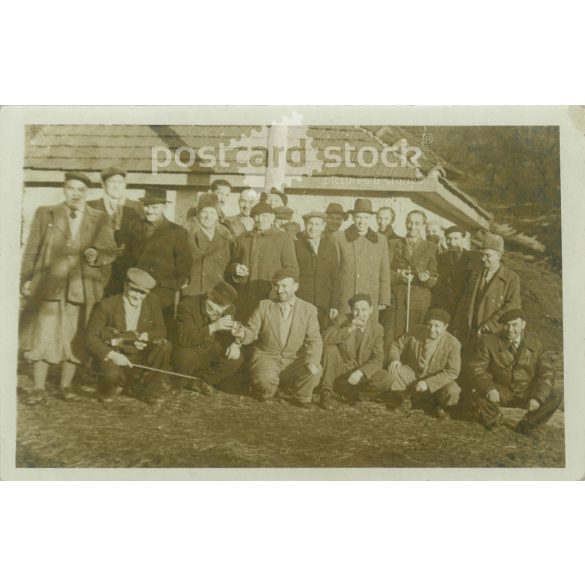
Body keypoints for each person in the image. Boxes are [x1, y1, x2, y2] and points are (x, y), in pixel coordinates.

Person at [19, 172, 118, 405]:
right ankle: (37, 388)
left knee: (75, 337)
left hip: (81, 288)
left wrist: (97, 254)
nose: (75, 194)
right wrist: (27, 279)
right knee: (43, 336)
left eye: (80, 190)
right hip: (49, 286)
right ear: (64, 189)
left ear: (87, 193)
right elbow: (33, 248)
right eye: (71, 188)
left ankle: (65, 386)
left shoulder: (100, 218)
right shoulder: (46, 213)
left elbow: (111, 249)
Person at [234, 268, 322, 408]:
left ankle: (302, 397)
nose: (279, 290)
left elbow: (314, 340)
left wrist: (312, 361)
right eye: (276, 286)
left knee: (315, 371)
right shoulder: (264, 306)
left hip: (294, 359)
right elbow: (251, 331)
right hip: (268, 356)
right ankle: (270, 390)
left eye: (284, 286)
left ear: (295, 286)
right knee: (264, 383)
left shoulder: (309, 310)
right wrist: (242, 334)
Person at [85, 268, 172, 406]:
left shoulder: (152, 301)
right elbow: (90, 338)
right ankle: (109, 388)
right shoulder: (106, 305)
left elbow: (161, 330)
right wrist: (112, 355)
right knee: (111, 377)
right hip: (116, 353)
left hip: (138, 353)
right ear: (125, 285)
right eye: (134, 290)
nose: (138, 297)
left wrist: (146, 336)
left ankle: (150, 392)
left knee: (164, 346)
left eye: (142, 293)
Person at [468, 309, 561, 434]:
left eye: (514, 325)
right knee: (479, 393)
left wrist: (537, 398)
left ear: (523, 324)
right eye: (506, 325)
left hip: (526, 390)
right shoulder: (488, 342)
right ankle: (495, 420)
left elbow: (547, 373)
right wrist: (489, 388)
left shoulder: (536, 343)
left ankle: (528, 425)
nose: (510, 329)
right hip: (501, 390)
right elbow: (477, 368)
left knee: (555, 395)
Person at [124, 187, 192, 337]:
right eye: (146, 206)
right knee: (133, 329)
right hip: (136, 290)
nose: (149, 211)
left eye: (154, 207)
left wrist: (167, 285)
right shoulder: (134, 228)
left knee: (159, 332)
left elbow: (184, 266)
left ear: (164, 207)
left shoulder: (177, 232)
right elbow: (126, 259)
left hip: (162, 294)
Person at [386, 308, 461, 419]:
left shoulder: (453, 343)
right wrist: (395, 359)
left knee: (452, 390)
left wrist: (428, 383)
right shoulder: (415, 331)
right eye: (429, 324)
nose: (432, 329)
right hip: (412, 373)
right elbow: (396, 345)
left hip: (435, 379)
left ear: (446, 326)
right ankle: (403, 400)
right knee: (392, 373)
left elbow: (453, 371)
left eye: (437, 326)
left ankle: (441, 407)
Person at [229, 201, 299, 321]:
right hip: (245, 295)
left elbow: (291, 269)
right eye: (256, 216)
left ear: (272, 218)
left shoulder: (283, 238)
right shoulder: (243, 238)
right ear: (252, 218)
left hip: (271, 296)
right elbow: (233, 262)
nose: (260, 220)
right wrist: (236, 268)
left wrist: (280, 289)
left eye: (264, 216)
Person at [320, 293, 390, 409]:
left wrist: (361, 372)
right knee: (330, 349)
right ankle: (326, 393)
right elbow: (324, 338)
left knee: (387, 378)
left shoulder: (377, 329)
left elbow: (377, 359)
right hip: (340, 370)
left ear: (371, 310)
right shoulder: (342, 320)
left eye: (364, 310)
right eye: (356, 310)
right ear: (351, 310)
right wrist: (349, 329)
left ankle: (356, 397)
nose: (360, 314)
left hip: (360, 374)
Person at [173, 281, 243, 394]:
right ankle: (179, 381)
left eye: (220, 305)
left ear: (228, 306)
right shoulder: (187, 305)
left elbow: (232, 334)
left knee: (236, 358)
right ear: (209, 294)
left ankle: (203, 381)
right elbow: (185, 339)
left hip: (211, 348)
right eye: (213, 301)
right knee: (185, 356)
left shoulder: (230, 310)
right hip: (192, 347)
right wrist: (214, 327)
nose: (215, 308)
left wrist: (237, 342)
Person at [451, 233, 521, 346]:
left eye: (488, 255)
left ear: (499, 256)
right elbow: (464, 302)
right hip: (470, 331)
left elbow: (512, 305)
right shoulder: (475, 275)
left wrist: (490, 325)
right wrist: (456, 324)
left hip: (494, 333)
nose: (483, 259)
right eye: (482, 254)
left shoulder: (511, 278)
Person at [87, 166, 143, 295]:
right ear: (103, 185)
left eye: (119, 182)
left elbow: (141, 237)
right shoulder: (91, 206)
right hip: (99, 268)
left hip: (126, 269)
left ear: (125, 184)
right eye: (112, 182)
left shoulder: (136, 207)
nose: (116, 186)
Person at [333, 198, 391, 321]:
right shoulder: (339, 237)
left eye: (365, 217)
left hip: (370, 298)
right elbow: (334, 272)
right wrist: (334, 302)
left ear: (370, 219)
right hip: (346, 297)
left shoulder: (380, 240)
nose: (362, 221)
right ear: (353, 218)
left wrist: (384, 299)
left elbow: (384, 272)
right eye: (358, 217)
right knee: (345, 332)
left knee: (368, 334)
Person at [388, 210, 438, 340]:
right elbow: (384, 272)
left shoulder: (431, 247)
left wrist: (426, 279)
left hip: (419, 302)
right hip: (396, 300)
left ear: (423, 225)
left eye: (417, 223)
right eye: (409, 222)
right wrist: (399, 276)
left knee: (415, 339)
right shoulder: (393, 244)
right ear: (405, 223)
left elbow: (434, 277)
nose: (412, 226)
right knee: (393, 338)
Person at [182, 193, 234, 297]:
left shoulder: (226, 237)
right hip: (192, 290)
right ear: (198, 214)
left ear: (217, 216)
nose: (208, 216)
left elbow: (230, 263)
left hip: (216, 292)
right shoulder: (186, 234)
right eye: (204, 211)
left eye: (212, 212)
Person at [294, 211, 339, 331]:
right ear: (305, 225)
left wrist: (334, 304)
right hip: (303, 300)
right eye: (310, 224)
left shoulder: (330, 247)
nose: (313, 228)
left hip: (323, 302)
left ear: (323, 226)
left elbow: (335, 277)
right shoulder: (296, 245)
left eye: (317, 224)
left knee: (321, 334)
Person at [433, 225, 471, 314]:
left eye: (456, 238)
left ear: (463, 239)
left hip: (462, 306)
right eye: (448, 239)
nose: (452, 242)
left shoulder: (471, 258)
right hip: (443, 305)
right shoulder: (440, 258)